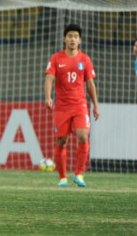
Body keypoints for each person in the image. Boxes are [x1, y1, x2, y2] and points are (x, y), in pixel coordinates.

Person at [44, 24, 99, 188]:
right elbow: (49, 79)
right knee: (61, 141)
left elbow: (90, 83)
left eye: (76, 36)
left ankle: (79, 174)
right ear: (64, 39)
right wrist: (48, 98)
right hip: (62, 106)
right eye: (70, 36)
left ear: (80, 40)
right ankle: (62, 177)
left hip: (80, 104)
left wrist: (95, 105)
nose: (73, 39)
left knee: (83, 136)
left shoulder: (85, 59)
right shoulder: (56, 58)